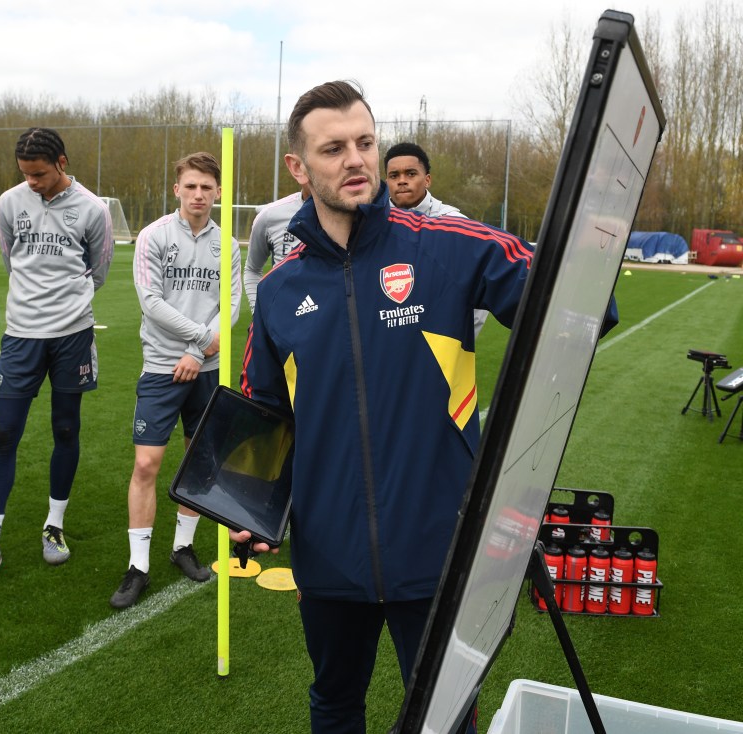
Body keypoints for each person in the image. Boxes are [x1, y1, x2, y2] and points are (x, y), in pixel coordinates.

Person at [232, 81, 537, 734]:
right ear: (298, 167)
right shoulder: (282, 289)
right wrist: (250, 503)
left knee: (444, 715)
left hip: (437, 548)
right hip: (327, 554)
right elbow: (265, 408)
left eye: (365, 142)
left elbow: (568, 296)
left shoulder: (444, 247)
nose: (356, 159)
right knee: (335, 702)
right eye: (334, 147)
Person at [0, 127, 113, 591]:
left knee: (65, 428)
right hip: (20, 335)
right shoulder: (8, 202)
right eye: (25, 174)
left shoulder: (93, 209)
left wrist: (66, 303)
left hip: (72, 335)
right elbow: (10, 258)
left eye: (39, 174)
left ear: (61, 162)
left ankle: (54, 525)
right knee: (3, 433)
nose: (32, 183)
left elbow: (98, 270)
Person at [109, 152, 242, 609]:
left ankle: (182, 546)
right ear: (177, 189)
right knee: (147, 464)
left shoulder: (228, 244)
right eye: (191, 186)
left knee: (200, 463)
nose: (199, 194)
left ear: (219, 192)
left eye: (207, 187)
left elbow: (233, 307)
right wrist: (197, 342)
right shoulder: (153, 237)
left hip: (206, 369)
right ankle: (138, 566)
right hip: (162, 368)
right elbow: (151, 302)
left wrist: (199, 351)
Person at [384, 142, 487, 336]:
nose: (402, 181)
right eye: (394, 175)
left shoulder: (456, 225)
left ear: (427, 180)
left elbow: (478, 297)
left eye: (411, 173)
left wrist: (453, 343)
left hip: (440, 350)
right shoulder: (371, 227)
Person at [243, 185, 309, 314]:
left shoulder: (354, 214)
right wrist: (259, 314)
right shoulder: (270, 215)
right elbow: (252, 269)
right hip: (285, 322)